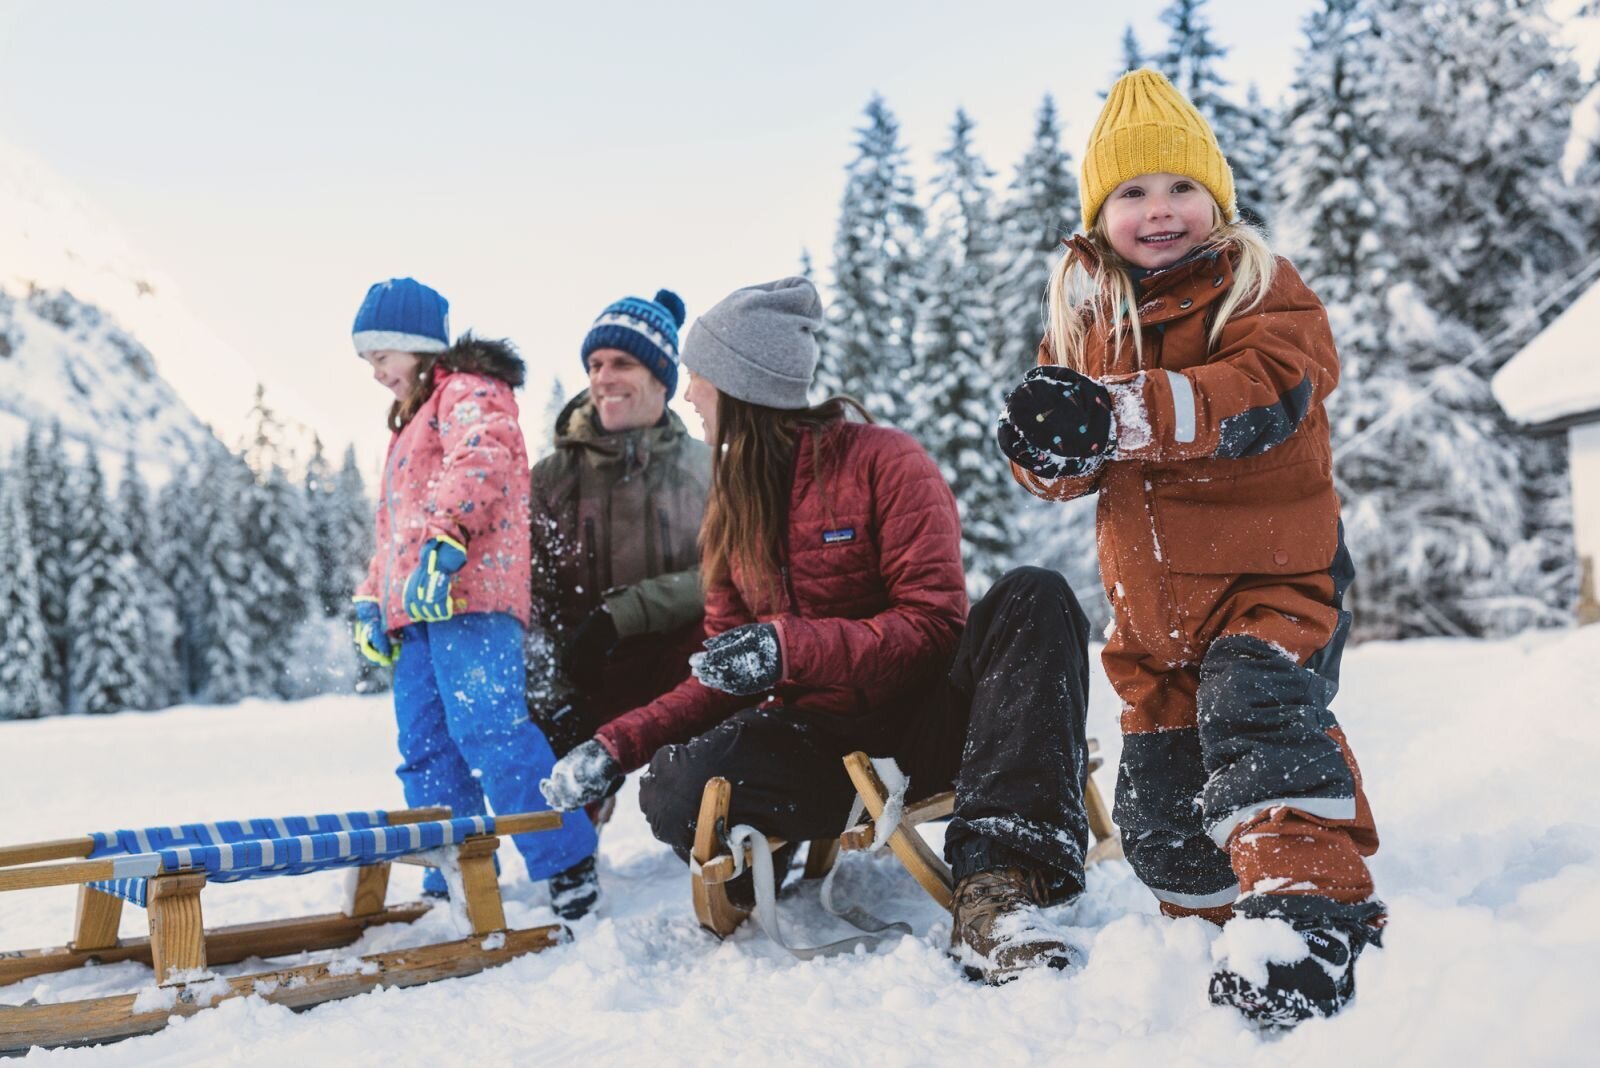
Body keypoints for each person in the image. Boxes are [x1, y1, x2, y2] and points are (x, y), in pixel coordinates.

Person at [541, 277, 1100, 985]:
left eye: (699, 380)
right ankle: (756, 856)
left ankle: (999, 891)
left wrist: (786, 646)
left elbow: (934, 627)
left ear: (744, 387)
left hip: (933, 724)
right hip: (826, 748)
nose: (689, 398)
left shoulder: (883, 461)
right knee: (674, 784)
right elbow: (715, 677)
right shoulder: (731, 513)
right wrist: (614, 746)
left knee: (1035, 596)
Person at [996, 69, 1384, 1027]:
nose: (1158, 210)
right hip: (1155, 620)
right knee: (1161, 815)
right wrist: (1048, 451)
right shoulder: (1090, 323)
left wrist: (1125, 413)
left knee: (1259, 730)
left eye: (1179, 188)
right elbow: (1081, 458)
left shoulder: (1261, 293)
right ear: (1099, 213)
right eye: (1131, 192)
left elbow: (1265, 390)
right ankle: (1211, 927)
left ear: (1218, 200)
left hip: (1274, 588)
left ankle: (1306, 916)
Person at [348, 276, 597, 918]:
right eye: (368, 362)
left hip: (471, 597)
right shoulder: (405, 428)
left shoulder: (470, 392)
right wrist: (372, 597)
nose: (375, 373)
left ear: (418, 345)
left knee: (490, 730)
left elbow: (486, 456)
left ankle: (565, 857)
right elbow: (393, 527)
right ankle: (452, 862)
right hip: (417, 611)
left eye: (382, 357)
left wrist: (448, 539)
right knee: (425, 746)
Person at [523, 289, 711, 918]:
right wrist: (555, 692)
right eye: (594, 364)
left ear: (660, 377)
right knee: (545, 742)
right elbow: (533, 598)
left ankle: (722, 835)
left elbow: (734, 576)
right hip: (586, 675)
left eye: (621, 364)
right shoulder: (552, 479)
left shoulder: (706, 469)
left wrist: (626, 611)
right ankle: (573, 849)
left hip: (681, 671)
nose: (603, 378)